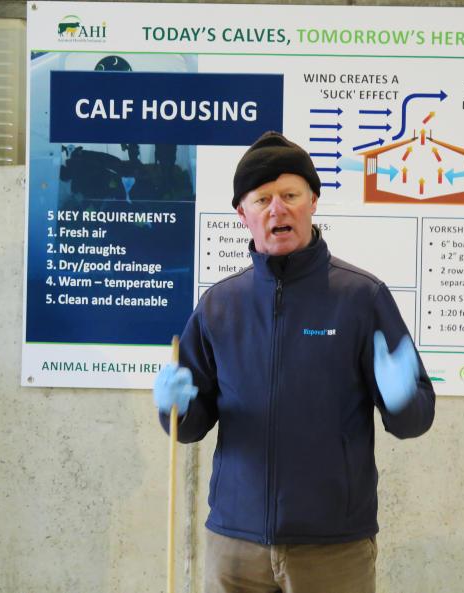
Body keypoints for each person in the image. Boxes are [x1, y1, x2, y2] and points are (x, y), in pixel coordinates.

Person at [154, 131, 435, 593]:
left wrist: (403, 400)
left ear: (313, 201)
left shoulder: (361, 297)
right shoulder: (219, 306)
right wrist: (175, 410)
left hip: (332, 547)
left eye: (290, 195)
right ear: (242, 214)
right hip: (234, 544)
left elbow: (415, 421)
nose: (277, 209)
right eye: (262, 199)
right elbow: (190, 428)